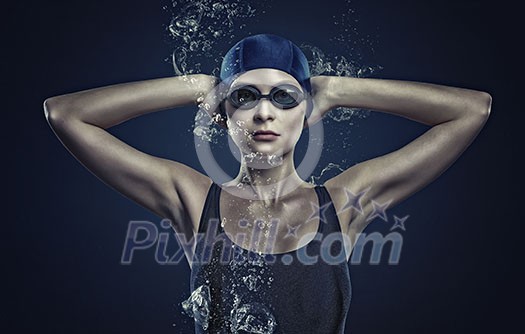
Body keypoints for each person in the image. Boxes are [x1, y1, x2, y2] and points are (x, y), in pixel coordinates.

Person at [44, 34, 492, 333]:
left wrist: (336, 89)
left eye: (283, 97)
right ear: (224, 115)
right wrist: (197, 86)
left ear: (306, 112)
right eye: (244, 96)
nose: (263, 113)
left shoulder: (342, 202)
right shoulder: (194, 199)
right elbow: (66, 114)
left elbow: (472, 110)